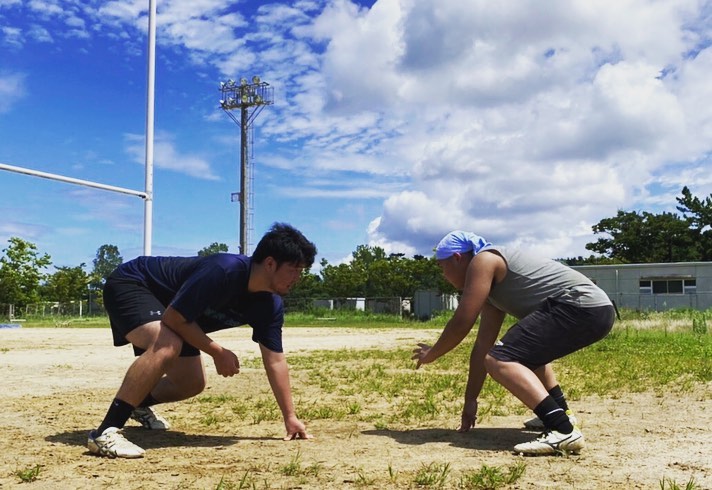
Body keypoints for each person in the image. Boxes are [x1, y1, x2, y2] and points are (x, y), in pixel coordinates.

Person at [87, 223, 317, 458]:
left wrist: (290, 417)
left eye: (301, 270)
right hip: (134, 283)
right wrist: (217, 352)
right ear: (270, 263)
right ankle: (105, 432)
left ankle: (136, 403)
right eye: (294, 269)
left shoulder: (270, 305)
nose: (297, 277)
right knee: (168, 344)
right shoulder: (224, 271)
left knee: (191, 382)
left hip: (178, 314)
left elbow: (276, 361)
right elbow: (174, 317)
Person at [412, 231, 615, 455]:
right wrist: (470, 400)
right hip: (593, 310)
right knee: (518, 353)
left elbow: (462, 321)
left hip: (580, 307)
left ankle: (563, 430)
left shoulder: (484, 260)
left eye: (442, 267)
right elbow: (482, 346)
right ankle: (559, 413)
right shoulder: (492, 293)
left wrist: (432, 353)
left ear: (458, 258)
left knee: (501, 359)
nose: (443, 275)